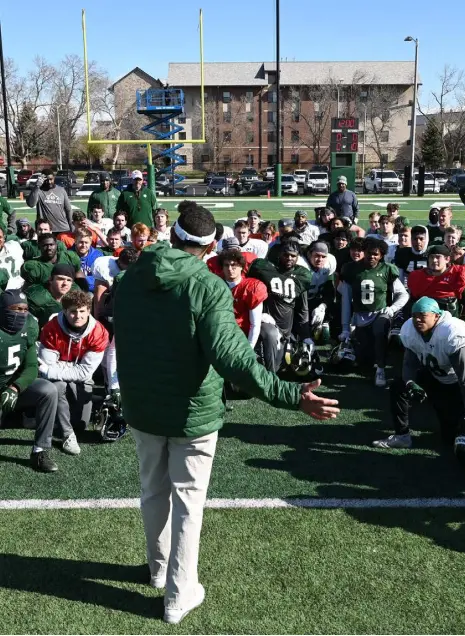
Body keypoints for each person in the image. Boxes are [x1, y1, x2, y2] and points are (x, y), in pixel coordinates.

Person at [114, 203, 338, 624]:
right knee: (187, 500)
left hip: (143, 405)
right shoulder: (207, 286)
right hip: (190, 411)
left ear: (174, 236)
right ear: (211, 246)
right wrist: (290, 395)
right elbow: (235, 360)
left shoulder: (128, 279)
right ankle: (178, 595)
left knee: (153, 490)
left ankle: (159, 570)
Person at [373, 297, 465, 449]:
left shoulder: (451, 332)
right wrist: (410, 383)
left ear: (436, 315)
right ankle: (402, 436)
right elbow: (409, 363)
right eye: (414, 315)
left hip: (454, 384)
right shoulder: (410, 329)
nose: (418, 319)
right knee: (398, 385)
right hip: (433, 376)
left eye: (422, 315)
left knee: (452, 437)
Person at [38, 289, 109, 456]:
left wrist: (58, 368)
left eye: (82, 311)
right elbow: (46, 368)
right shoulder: (52, 328)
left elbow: (84, 372)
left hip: (79, 377)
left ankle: (61, 419)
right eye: (73, 312)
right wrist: (60, 370)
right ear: (64, 311)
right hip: (58, 380)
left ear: (88, 311)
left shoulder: (98, 332)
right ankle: (67, 434)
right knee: (58, 385)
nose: (78, 316)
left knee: (82, 424)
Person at [0, 289, 61, 473]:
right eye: (15, 309)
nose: (21, 313)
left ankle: (40, 451)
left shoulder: (29, 326)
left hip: (12, 387)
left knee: (49, 390)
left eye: (24, 309)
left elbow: (32, 367)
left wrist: (15, 388)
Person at [339, 237, 409, 387]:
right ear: (364, 251)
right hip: (360, 317)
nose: (372, 257)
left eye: (376, 254)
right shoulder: (351, 269)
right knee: (364, 361)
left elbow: (404, 294)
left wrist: (392, 309)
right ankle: (362, 347)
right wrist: (345, 327)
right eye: (369, 253)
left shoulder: (387, 269)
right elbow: (346, 300)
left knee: (380, 329)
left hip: (380, 314)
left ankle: (381, 370)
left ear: (382, 255)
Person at [247, 241, 313, 373]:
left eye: (293, 256)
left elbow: (302, 308)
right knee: (270, 343)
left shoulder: (302, 275)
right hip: (267, 322)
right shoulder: (264, 268)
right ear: (279, 254)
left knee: (285, 367)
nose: (289, 258)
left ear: (298, 257)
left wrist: (306, 335)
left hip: (285, 330)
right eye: (286, 255)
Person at [407, 244, 465, 327]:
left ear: (447, 259)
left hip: (448, 329)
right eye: (431, 257)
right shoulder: (419, 278)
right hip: (424, 329)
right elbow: (410, 307)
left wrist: (460, 327)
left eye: (437, 257)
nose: (434, 260)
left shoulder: (458, 277)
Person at [217, 249, 268, 348]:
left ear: (241, 266)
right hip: (220, 333)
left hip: (243, 335)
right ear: (222, 268)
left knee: (269, 332)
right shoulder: (216, 284)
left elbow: (255, 324)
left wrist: (249, 348)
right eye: (226, 265)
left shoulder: (252, 287)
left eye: (233, 265)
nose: (230, 269)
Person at [25, 263, 74, 328]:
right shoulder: (38, 296)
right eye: (60, 279)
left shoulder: (73, 297)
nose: (65, 283)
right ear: (50, 280)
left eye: (69, 280)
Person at [26, 168, 73, 234]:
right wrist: (37, 186)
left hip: (63, 228)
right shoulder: (38, 191)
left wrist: (71, 225)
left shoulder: (61, 190)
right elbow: (31, 204)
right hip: (45, 229)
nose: (49, 182)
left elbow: (68, 209)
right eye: (46, 180)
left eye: (51, 179)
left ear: (54, 178)